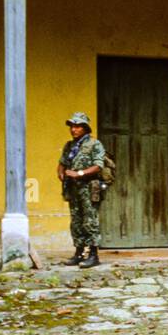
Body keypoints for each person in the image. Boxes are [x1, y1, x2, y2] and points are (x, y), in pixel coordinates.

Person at [57, 112, 105, 268]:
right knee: (76, 221)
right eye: (72, 126)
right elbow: (62, 163)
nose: (73, 129)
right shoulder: (69, 146)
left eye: (77, 126)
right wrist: (61, 173)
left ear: (85, 128)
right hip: (72, 189)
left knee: (90, 221)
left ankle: (93, 255)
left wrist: (79, 173)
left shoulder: (94, 144)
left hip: (88, 188)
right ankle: (79, 253)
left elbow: (98, 165)